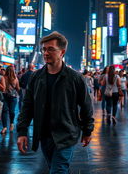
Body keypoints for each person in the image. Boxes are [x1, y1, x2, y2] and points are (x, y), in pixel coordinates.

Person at [17, 31, 94, 173]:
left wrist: (87, 130)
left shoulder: (75, 78)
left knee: (58, 170)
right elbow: (27, 106)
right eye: (44, 49)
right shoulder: (36, 77)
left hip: (66, 135)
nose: (45, 53)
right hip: (44, 135)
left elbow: (86, 106)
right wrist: (22, 131)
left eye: (51, 49)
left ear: (62, 52)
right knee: (55, 167)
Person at [1, 66, 20, 134]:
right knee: (6, 111)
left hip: (12, 97)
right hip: (6, 97)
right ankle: (5, 126)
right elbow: (18, 89)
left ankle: (10, 124)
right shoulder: (4, 78)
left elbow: (18, 88)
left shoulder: (15, 78)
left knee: (9, 111)